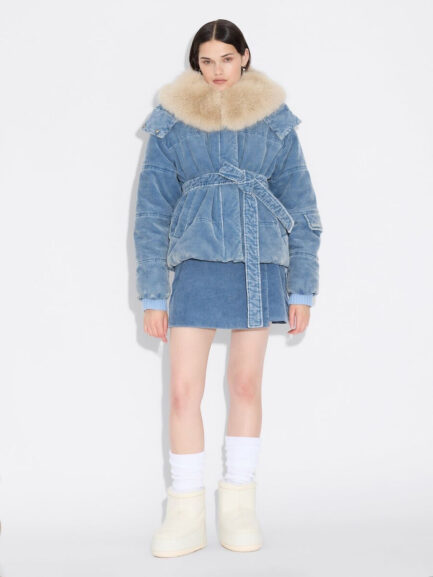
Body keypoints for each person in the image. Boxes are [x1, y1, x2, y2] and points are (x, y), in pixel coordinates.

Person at [133, 19, 323, 557]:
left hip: (258, 266)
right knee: (182, 391)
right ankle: (185, 511)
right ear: (196, 63)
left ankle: (239, 505)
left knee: (244, 385)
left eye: (226, 58)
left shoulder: (275, 122)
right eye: (207, 60)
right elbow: (150, 215)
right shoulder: (172, 122)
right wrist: (153, 294)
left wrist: (302, 289)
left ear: (245, 57)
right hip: (196, 267)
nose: (217, 70)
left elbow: (304, 210)